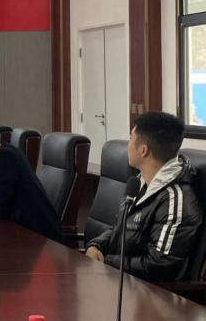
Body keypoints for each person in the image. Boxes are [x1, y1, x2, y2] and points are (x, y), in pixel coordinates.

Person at [86, 112, 203, 282]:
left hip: (148, 292)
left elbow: (159, 265)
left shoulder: (174, 199)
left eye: (131, 138)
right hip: (120, 279)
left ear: (143, 150)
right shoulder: (139, 183)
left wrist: (107, 261)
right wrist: (96, 246)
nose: (128, 145)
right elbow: (120, 227)